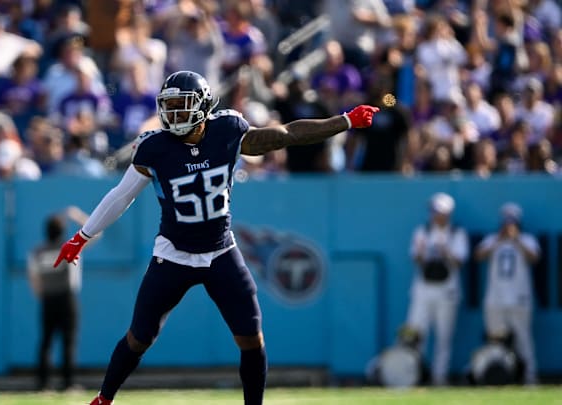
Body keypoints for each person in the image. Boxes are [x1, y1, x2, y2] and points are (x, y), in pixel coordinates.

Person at [52, 70, 379, 405]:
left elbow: (285, 135)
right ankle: (104, 399)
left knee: (252, 338)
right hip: (173, 254)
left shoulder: (228, 130)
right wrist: (82, 236)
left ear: (204, 105)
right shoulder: (154, 148)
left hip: (221, 251)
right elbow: (121, 196)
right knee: (139, 338)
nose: (175, 114)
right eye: (170, 106)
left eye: (183, 105)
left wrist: (344, 121)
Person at [406, 192, 469, 386]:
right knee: (416, 334)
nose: (435, 215)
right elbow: (415, 258)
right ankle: (413, 375)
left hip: (447, 291)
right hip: (424, 289)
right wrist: (422, 251)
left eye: (439, 211)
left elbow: (460, 261)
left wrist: (445, 251)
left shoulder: (457, 233)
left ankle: (439, 377)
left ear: (448, 213)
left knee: (444, 337)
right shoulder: (422, 231)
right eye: (433, 211)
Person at [475, 202, 540, 385]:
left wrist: (516, 239)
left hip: (520, 297)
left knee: (523, 338)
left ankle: (529, 376)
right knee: (495, 340)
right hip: (495, 297)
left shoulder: (527, 239)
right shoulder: (492, 239)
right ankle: (497, 377)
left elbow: (534, 258)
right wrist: (499, 240)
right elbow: (479, 255)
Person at [27, 206, 92, 391]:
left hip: (48, 299)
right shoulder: (70, 246)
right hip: (67, 298)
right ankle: (68, 383)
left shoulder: (37, 252)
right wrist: (77, 215)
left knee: (46, 341)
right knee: (68, 341)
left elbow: (34, 279)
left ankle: (43, 384)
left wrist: (41, 294)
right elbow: (96, 232)